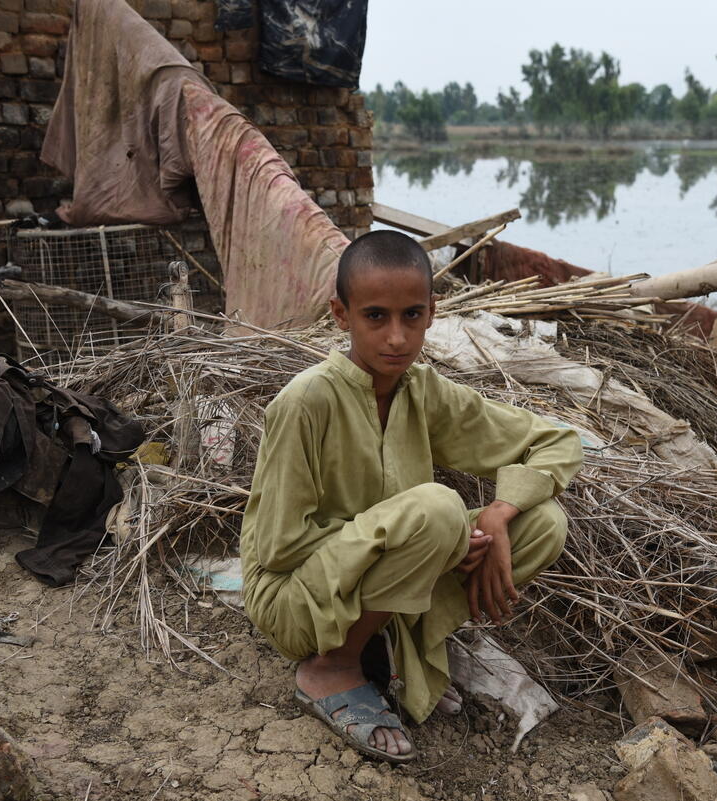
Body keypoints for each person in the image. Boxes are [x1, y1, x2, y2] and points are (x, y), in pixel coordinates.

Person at [240, 230, 584, 763]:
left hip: (373, 580)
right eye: (376, 316)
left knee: (542, 523)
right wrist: (427, 539)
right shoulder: (305, 402)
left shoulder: (423, 391)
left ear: (432, 313)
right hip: (294, 600)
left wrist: (498, 511)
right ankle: (332, 668)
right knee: (438, 510)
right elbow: (280, 547)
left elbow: (556, 440)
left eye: (412, 316)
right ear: (341, 314)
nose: (397, 338)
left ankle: (400, 645)